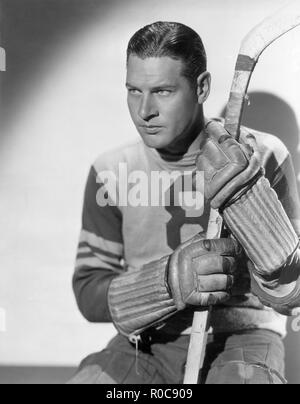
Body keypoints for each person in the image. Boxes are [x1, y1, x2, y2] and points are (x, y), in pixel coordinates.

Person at [69, 22, 300, 384]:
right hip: (145, 343)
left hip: (243, 338)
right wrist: (167, 282)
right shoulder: (110, 171)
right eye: (133, 90)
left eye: (162, 91)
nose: (144, 110)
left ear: (202, 87)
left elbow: (292, 293)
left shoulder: (264, 155)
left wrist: (250, 200)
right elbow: (88, 291)